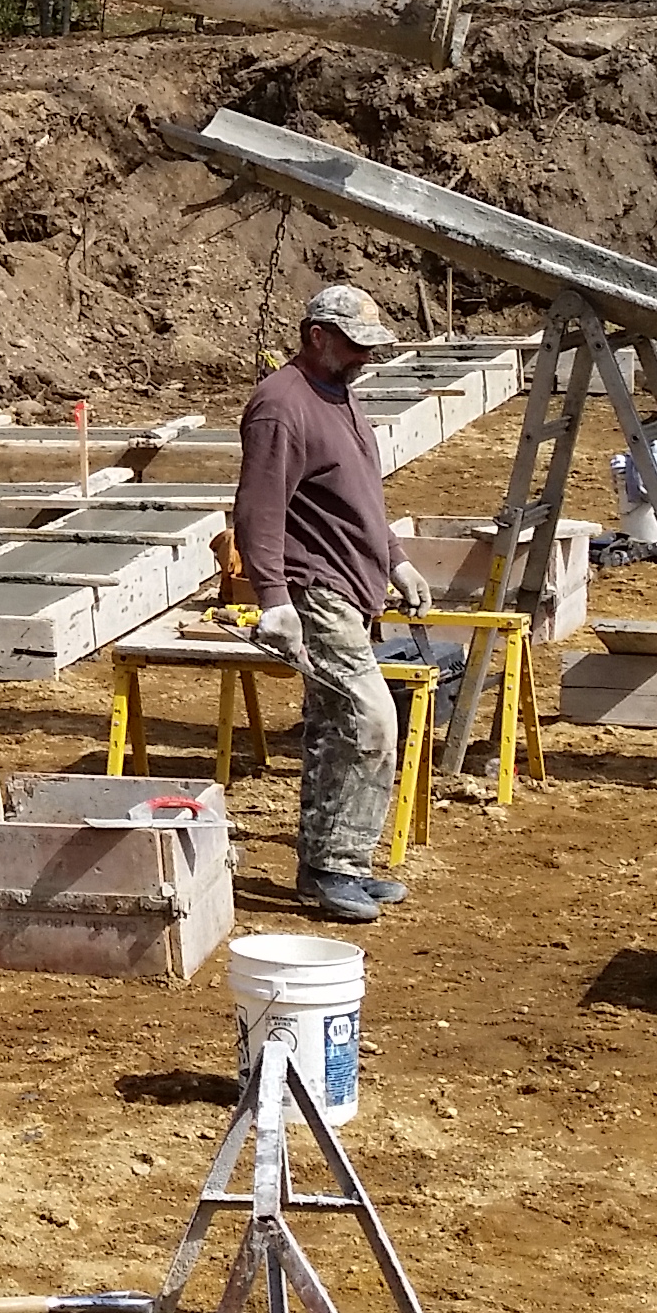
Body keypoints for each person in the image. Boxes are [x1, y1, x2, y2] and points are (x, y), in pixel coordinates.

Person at [236, 281, 412, 924]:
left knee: (334, 727)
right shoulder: (281, 406)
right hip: (316, 590)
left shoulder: (340, 394)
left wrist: (396, 558)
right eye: (356, 345)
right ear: (318, 336)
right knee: (370, 720)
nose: (367, 356)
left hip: (353, 584)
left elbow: (358, 493)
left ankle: (329, 865)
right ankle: (339, 865)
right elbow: (258, 509)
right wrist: (274, 600)